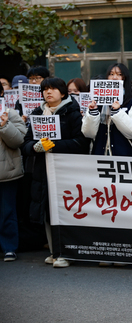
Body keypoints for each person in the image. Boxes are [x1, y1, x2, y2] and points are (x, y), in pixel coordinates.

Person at [21, 78, 90, 268]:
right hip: (42, 171)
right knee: (48, 212)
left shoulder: (73, 113)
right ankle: (55, 251)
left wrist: (55, 146)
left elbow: (82, 143)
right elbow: (25, 144)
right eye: (44, 89)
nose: (48, 92)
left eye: (52, 89)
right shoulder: (37, 113)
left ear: (63, 93)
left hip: (67, 171)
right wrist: (35, 147)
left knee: (66, 211)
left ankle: (66, 253)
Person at [82, 63, 132, 157]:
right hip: (100, 155)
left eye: (119, 74)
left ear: (125, 78)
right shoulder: (98, 102)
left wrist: (117, 112)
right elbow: (88, 133)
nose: (114, 78)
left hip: (123, 157)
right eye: (111, 74)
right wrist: (93, 113)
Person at [0, 82, 27, 262]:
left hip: (6, 172)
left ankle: (9, 247)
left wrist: (4, 126)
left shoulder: (11, 114)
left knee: (7, 211)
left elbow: (19, 140)